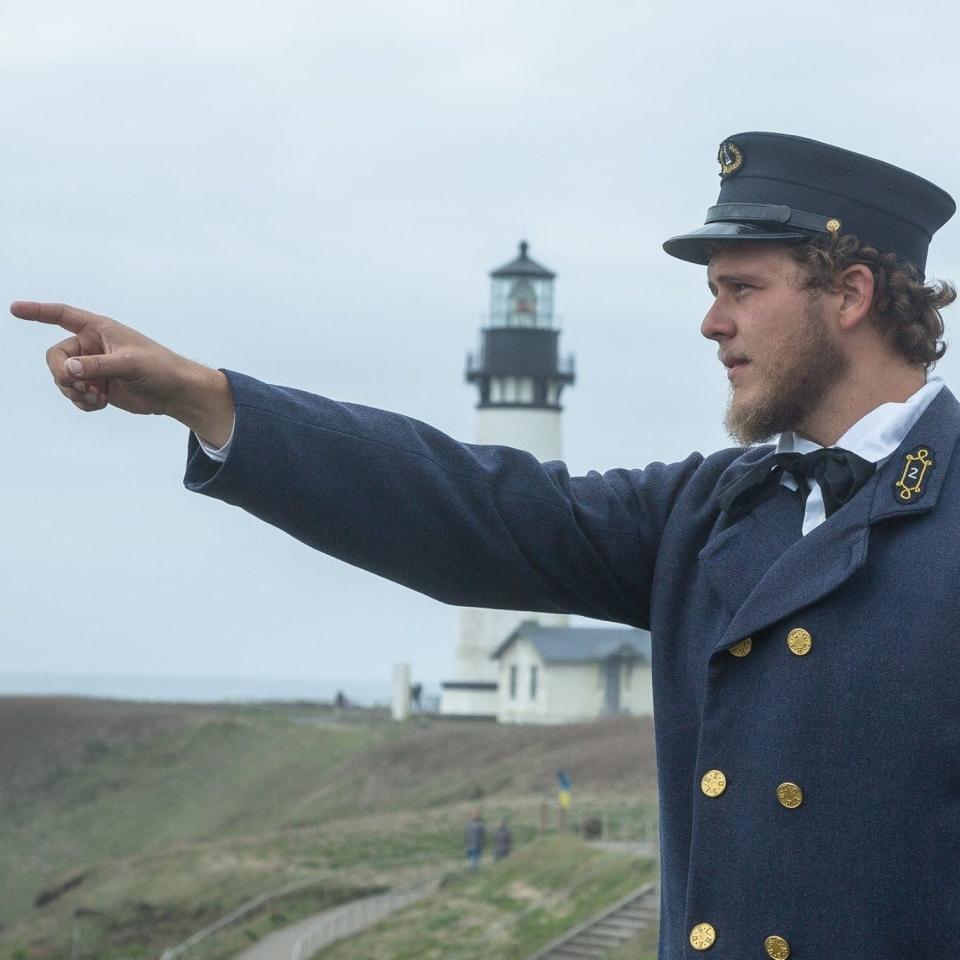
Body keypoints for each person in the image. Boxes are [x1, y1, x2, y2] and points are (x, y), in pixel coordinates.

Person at [14, 131, 960, 958]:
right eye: (714, 292)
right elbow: (469, 507)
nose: (711, 322)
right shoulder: (712, 510)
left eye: (741, 289)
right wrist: (206, 396)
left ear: (851, 294)